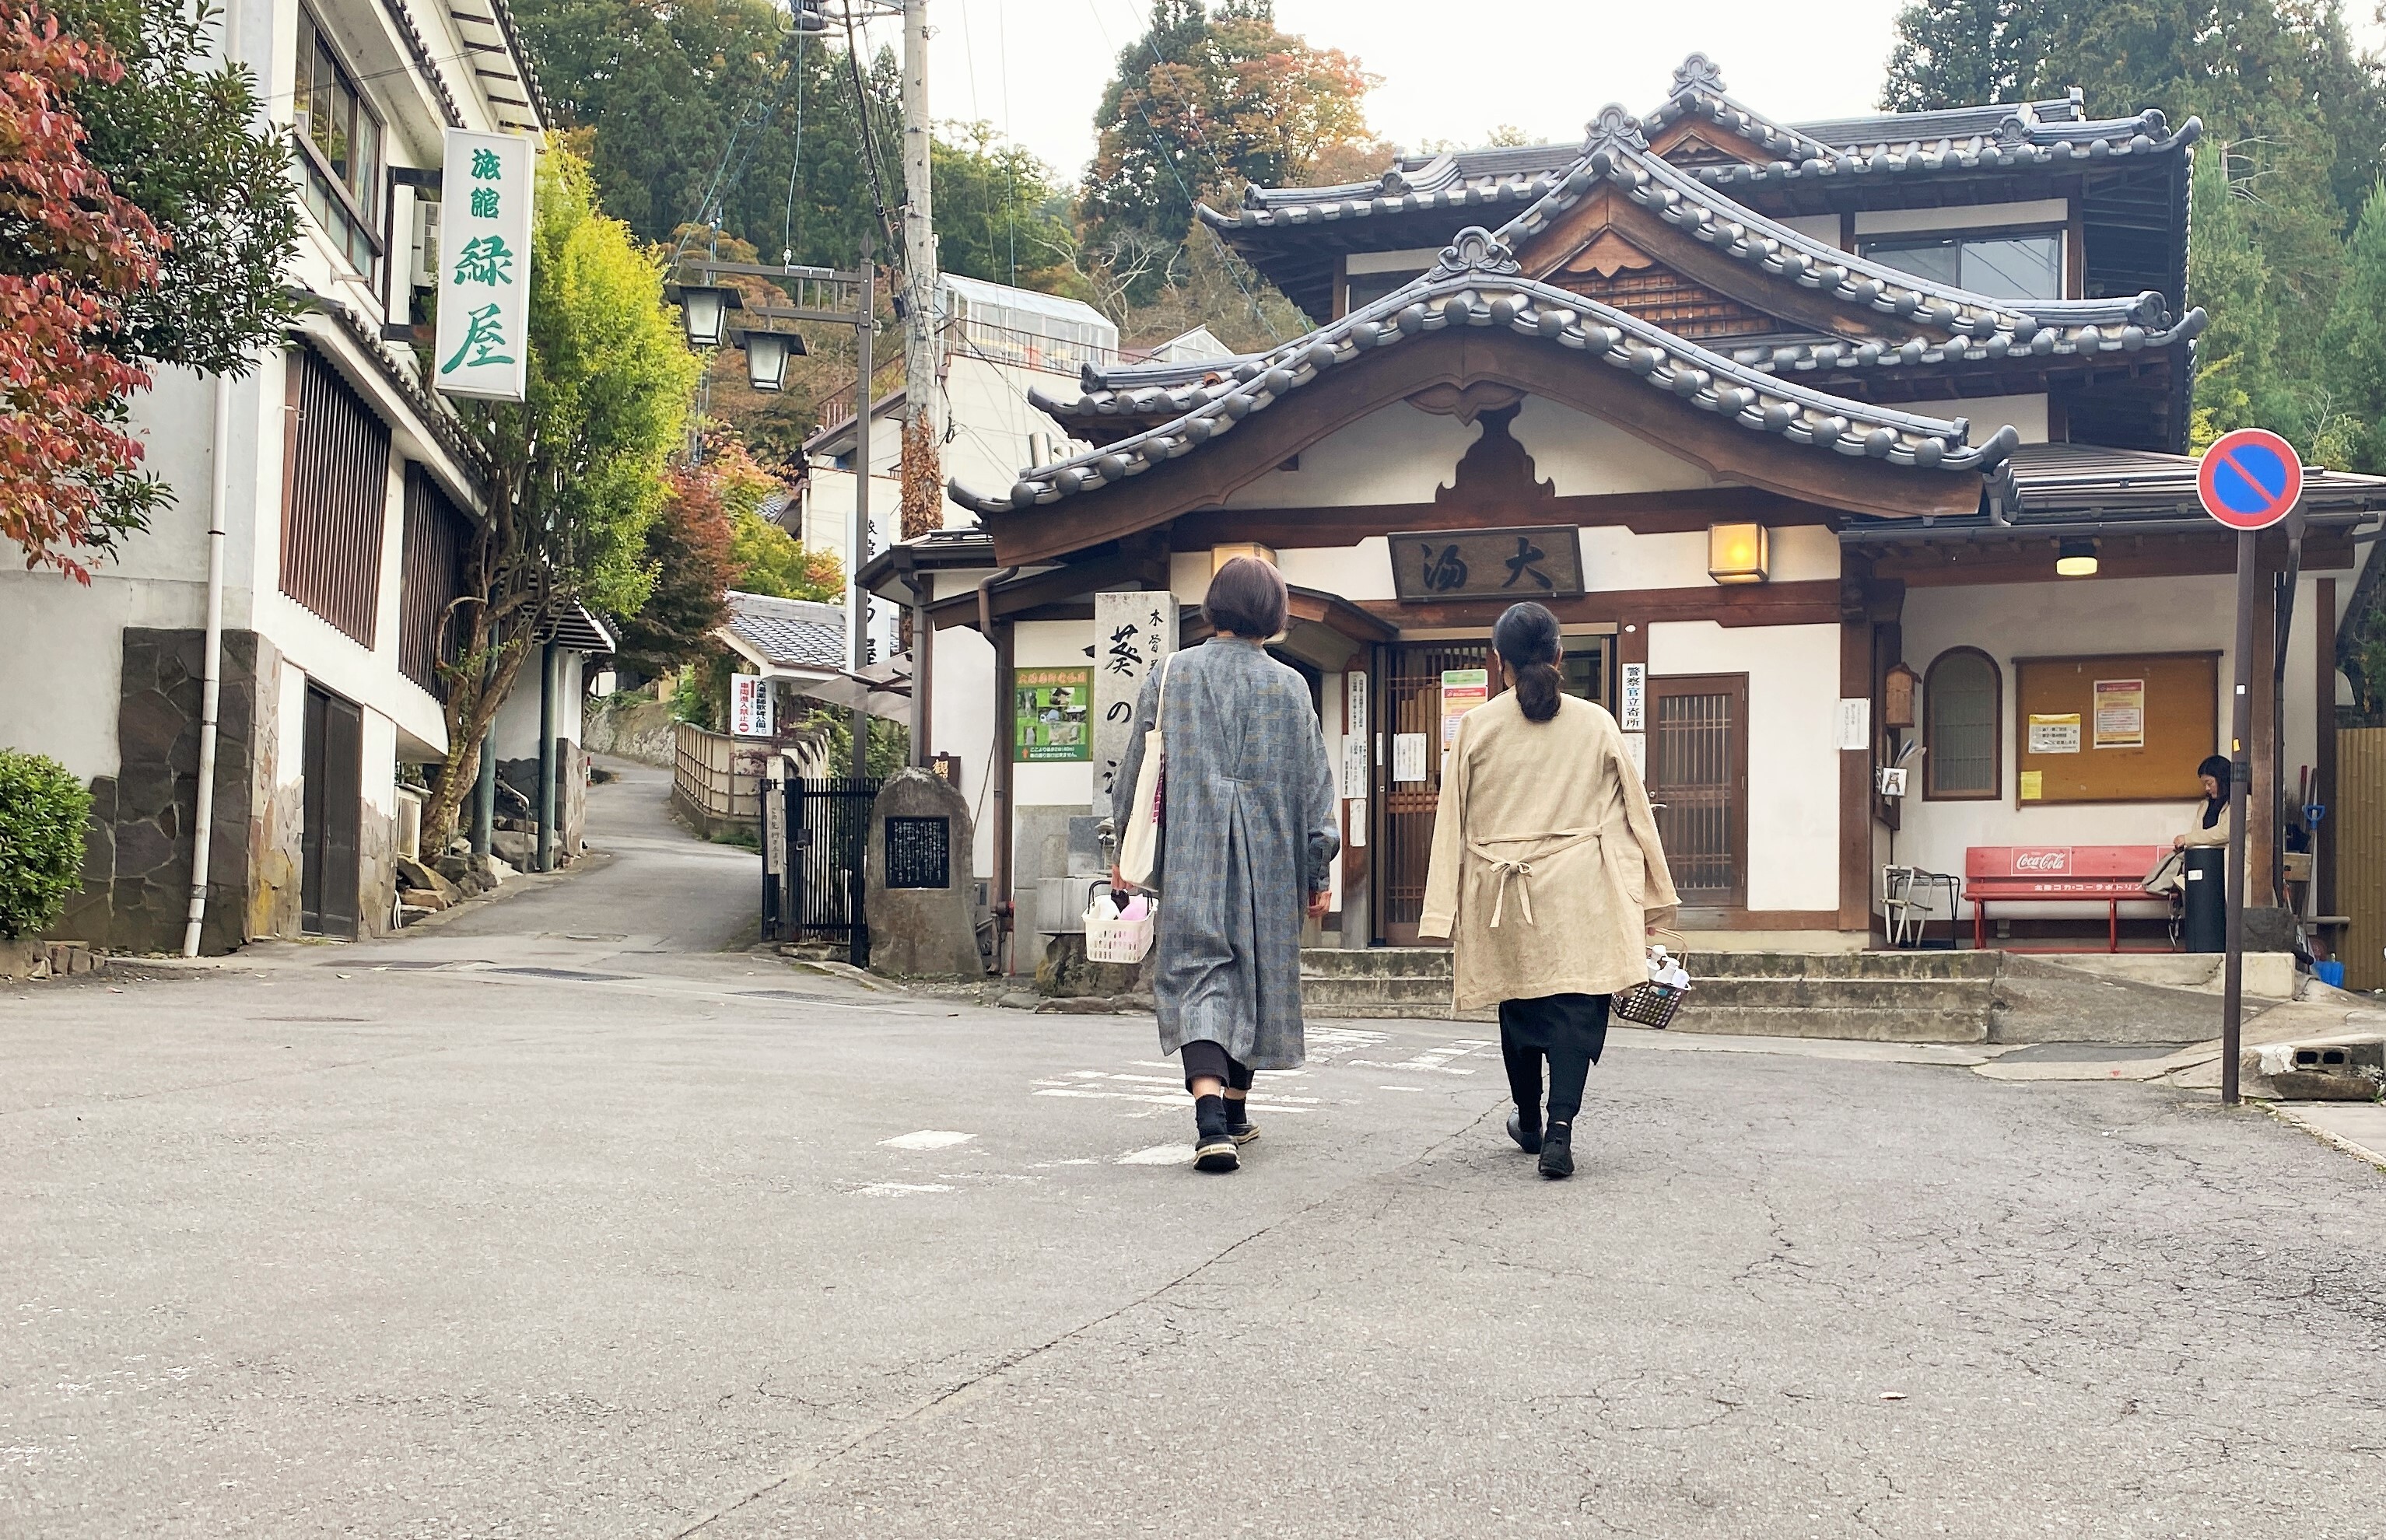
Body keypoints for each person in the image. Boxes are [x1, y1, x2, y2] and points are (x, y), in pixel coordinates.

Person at [1418, 602, 1677, 1180]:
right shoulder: (1595, 721)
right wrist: (1652, 897)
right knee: (1578, 1005)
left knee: (1521, 1003)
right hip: (1581, 887)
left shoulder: (1477, 727)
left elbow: (1452, 821)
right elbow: (1635, 810)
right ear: (1559, 655)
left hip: (1503, 892)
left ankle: (1529, 1121)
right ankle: (1560, 1130)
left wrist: (1442, 909)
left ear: (1498, 661)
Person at [1112, 557, 1338, 1174]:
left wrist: (1122, 853)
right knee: (1255, 973)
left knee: (1198, 974)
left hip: (1192, 850)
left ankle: (1215, 1115)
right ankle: (1232, 1110)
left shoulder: (1170, 675)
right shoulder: (1290, 687)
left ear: (1213, 607)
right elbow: (1315, 786)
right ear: (1273, 613)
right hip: (1269, 859)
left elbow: (1136, 775)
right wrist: (1317, 869)